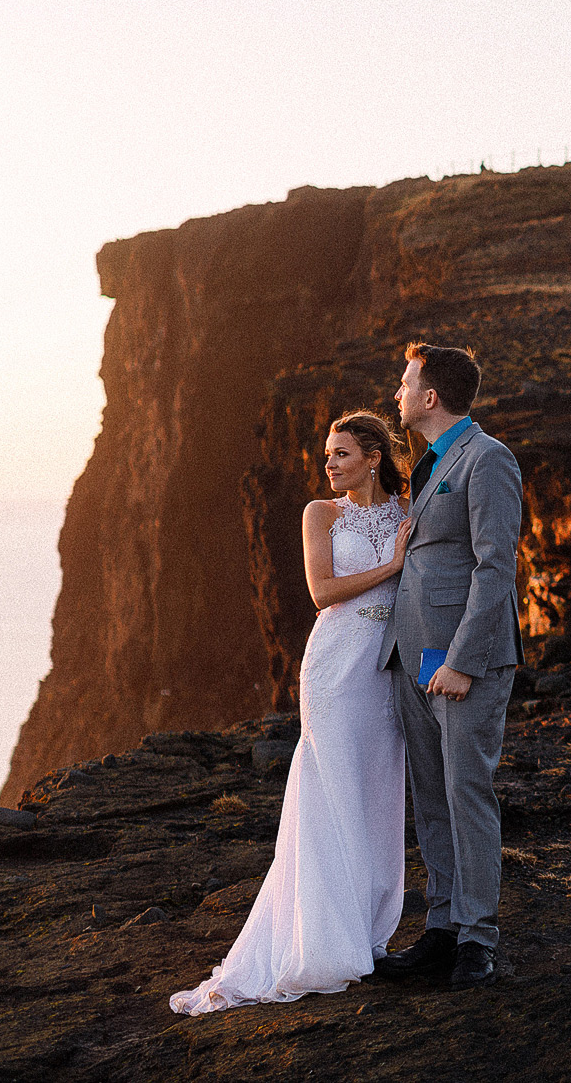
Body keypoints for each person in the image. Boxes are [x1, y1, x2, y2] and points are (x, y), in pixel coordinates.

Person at [170, 412, 414, 1014]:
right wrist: (393, 565)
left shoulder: (409, 511)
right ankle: (324, 940)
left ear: (374, 458)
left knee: (378, 794)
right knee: (330, 794)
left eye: (341, 454)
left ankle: (368, 930)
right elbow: (322, 592)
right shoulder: (320, 514)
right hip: (335, 669)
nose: (329, 464)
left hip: (387, 671)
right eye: (327, 454)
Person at [372, 342, 523, 990]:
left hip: (465, 663)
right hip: (410, 657)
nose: (396, 394)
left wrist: (464, 661)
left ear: (430, 396)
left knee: (467, 794)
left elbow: (496, 567)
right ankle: (441, 929)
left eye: (405, 383)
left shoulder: (487, 459)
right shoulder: (427, 463)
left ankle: (477, 941)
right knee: (431, 797)